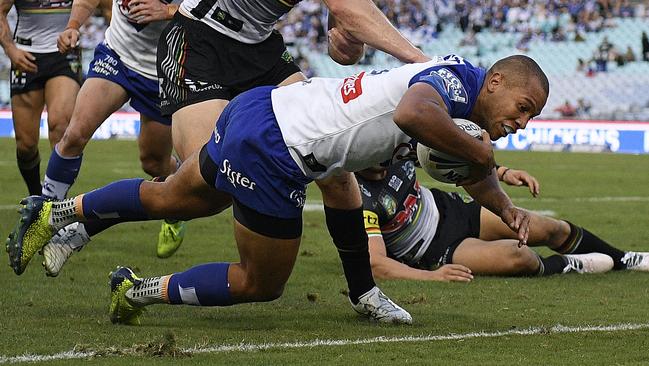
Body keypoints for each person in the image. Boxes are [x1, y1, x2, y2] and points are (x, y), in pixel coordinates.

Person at [6, 54, 549, 325]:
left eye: (532, 118)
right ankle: (137, 291)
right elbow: (415, 113)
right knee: (260, 283)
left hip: (264, 110)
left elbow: (466, 164)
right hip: (276, 150)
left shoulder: (460, 94)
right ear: (496, 83)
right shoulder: (454, 83)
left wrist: (505, 206)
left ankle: (56, 212)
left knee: (178, 196)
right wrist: (482, 153)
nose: (521, 121)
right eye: (523, 108)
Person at [45, 0, 430, 289]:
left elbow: (344, 32)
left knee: (335, 172)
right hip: (199, 44)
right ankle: (78, 222)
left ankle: (364, 292)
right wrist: (421, 62)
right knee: (206, 187)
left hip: (260, 50)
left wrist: (343, 37)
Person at [40, 0, 186, 265]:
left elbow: (216, 10)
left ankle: (176, 207)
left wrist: (168, 11)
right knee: (74, 135)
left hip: (162, 71)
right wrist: (72, 25)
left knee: (154, 162)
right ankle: (42, 218)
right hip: (116, 55)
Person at [355, 160, 649, 282]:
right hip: (434, 250)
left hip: (453, 210)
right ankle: (566, 264)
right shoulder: (358, 197)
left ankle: (624, 259)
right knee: (518, 255)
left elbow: (451, 156)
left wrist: (504, 173)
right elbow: (375, 263)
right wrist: (433, 276)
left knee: (549, 227)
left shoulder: (397, 147)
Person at [0, 0, 82, 196]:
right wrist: (11, 50)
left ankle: (55, 203)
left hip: (64, 54)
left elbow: (105, 8)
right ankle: (36, 195)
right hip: (25, 55)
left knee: (60, 125)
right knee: (26, 145)